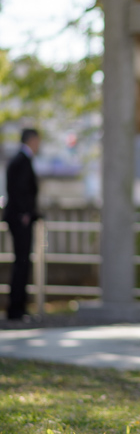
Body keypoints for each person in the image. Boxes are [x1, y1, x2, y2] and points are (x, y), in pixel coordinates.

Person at [3, 128, 41, 322]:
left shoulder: (18, 160)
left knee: (23, 263)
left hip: (19, 218)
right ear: (31, 140)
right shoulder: (21, 161)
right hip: (20, 220)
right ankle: (16, 309)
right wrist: (24, 214)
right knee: (21, 263)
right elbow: (19, 190)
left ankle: (19, 307)